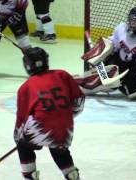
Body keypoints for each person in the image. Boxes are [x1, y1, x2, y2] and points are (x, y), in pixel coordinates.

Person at [14, 47, 84, 180]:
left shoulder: (25, 87)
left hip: (40, 127)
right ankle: (72, 175)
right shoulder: (62, 75)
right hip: (66, 126)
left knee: (24, 146)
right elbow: (79, 102)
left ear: (27, 65)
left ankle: (30, 176)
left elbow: (21, 119)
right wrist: (65, 115)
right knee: (58, 146)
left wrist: (18, 139)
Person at [75, 5, 136, 100]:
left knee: (133, 92)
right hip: (120, 62)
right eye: (131, 20)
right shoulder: (121, 28)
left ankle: (126, 84)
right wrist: (98, 56)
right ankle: (101, 81)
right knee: (101, 81)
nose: (132, 23)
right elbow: (110, 45)